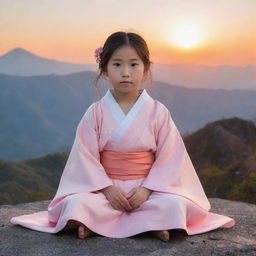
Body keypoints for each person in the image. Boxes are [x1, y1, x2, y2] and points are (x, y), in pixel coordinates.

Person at [10, 31, 235, 242]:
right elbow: (84, 157)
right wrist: (107, 189)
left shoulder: (158, 112)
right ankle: (139, 223)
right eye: (117, 64)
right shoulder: (95, 112)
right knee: (77, 202)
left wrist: (147, 189)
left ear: (145, 69)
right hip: (104, 190)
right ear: (105, 69)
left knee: (173, 204)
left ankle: (108, 224)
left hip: (148, 190)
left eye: (134, 64)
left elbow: (171, 157)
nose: (125, 72)